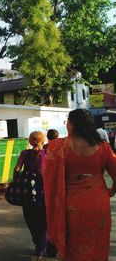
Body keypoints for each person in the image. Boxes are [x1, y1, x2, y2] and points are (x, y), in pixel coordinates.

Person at [43, 109, 116, 260]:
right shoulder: (103, 147)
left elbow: (47, 174)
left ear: (72, 125)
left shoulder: (59, 147)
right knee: (97, 245)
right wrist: (111, 190)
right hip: (98, 202)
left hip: (70, 206)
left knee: (73, 248)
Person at [14, 131, 52, 260]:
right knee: (44, 221)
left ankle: (38, 242)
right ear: (43, 140)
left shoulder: (25, 153)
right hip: (43, 192)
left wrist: (17, 180)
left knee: (31, 219)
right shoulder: (47, 154)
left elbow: (17, 169)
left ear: (30, 141)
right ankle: (41, 249)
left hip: (28, 193)